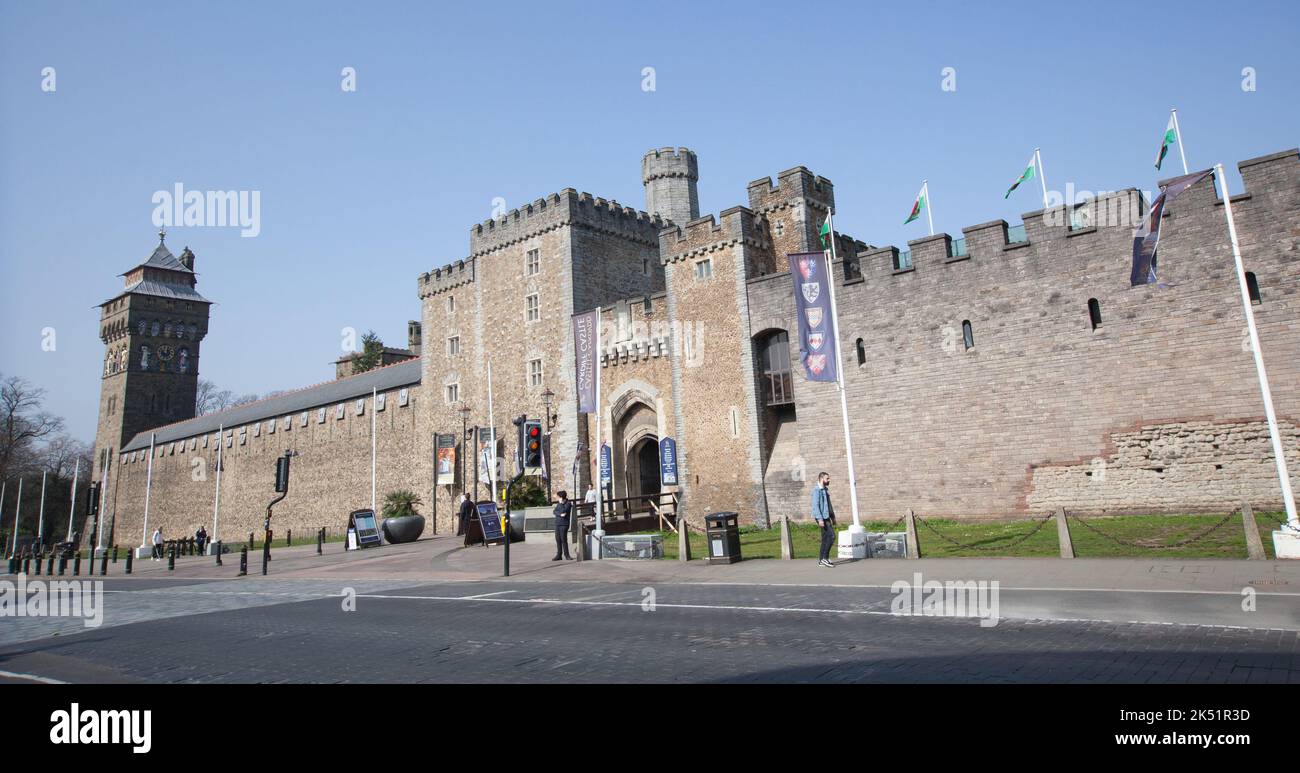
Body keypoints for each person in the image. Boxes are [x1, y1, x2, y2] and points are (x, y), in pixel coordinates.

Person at [812, 471, 837, 567]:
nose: (829, 480)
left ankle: (821, 560)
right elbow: (815, 506)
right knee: (831, 536)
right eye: (827, 478)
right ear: (822, 479)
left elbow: (829, 505)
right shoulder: (816, 490)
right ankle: (825, 558)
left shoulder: (825, 490)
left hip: (827, 516)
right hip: (822, 517)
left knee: (825, 538)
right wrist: (820, 519)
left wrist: (833, 517)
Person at [552, 490, 573, 561]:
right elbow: (554, 511)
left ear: (561, 497)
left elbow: (564, 511)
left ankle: (567, 555)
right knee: (558, 539)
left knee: (563, 539)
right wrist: (560, 515)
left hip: (564, 524)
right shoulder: (558, 504)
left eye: (558, 497)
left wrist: (561, 504)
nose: (557, 498)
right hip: (557, 523)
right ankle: (559, 555)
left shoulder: (568, 504)